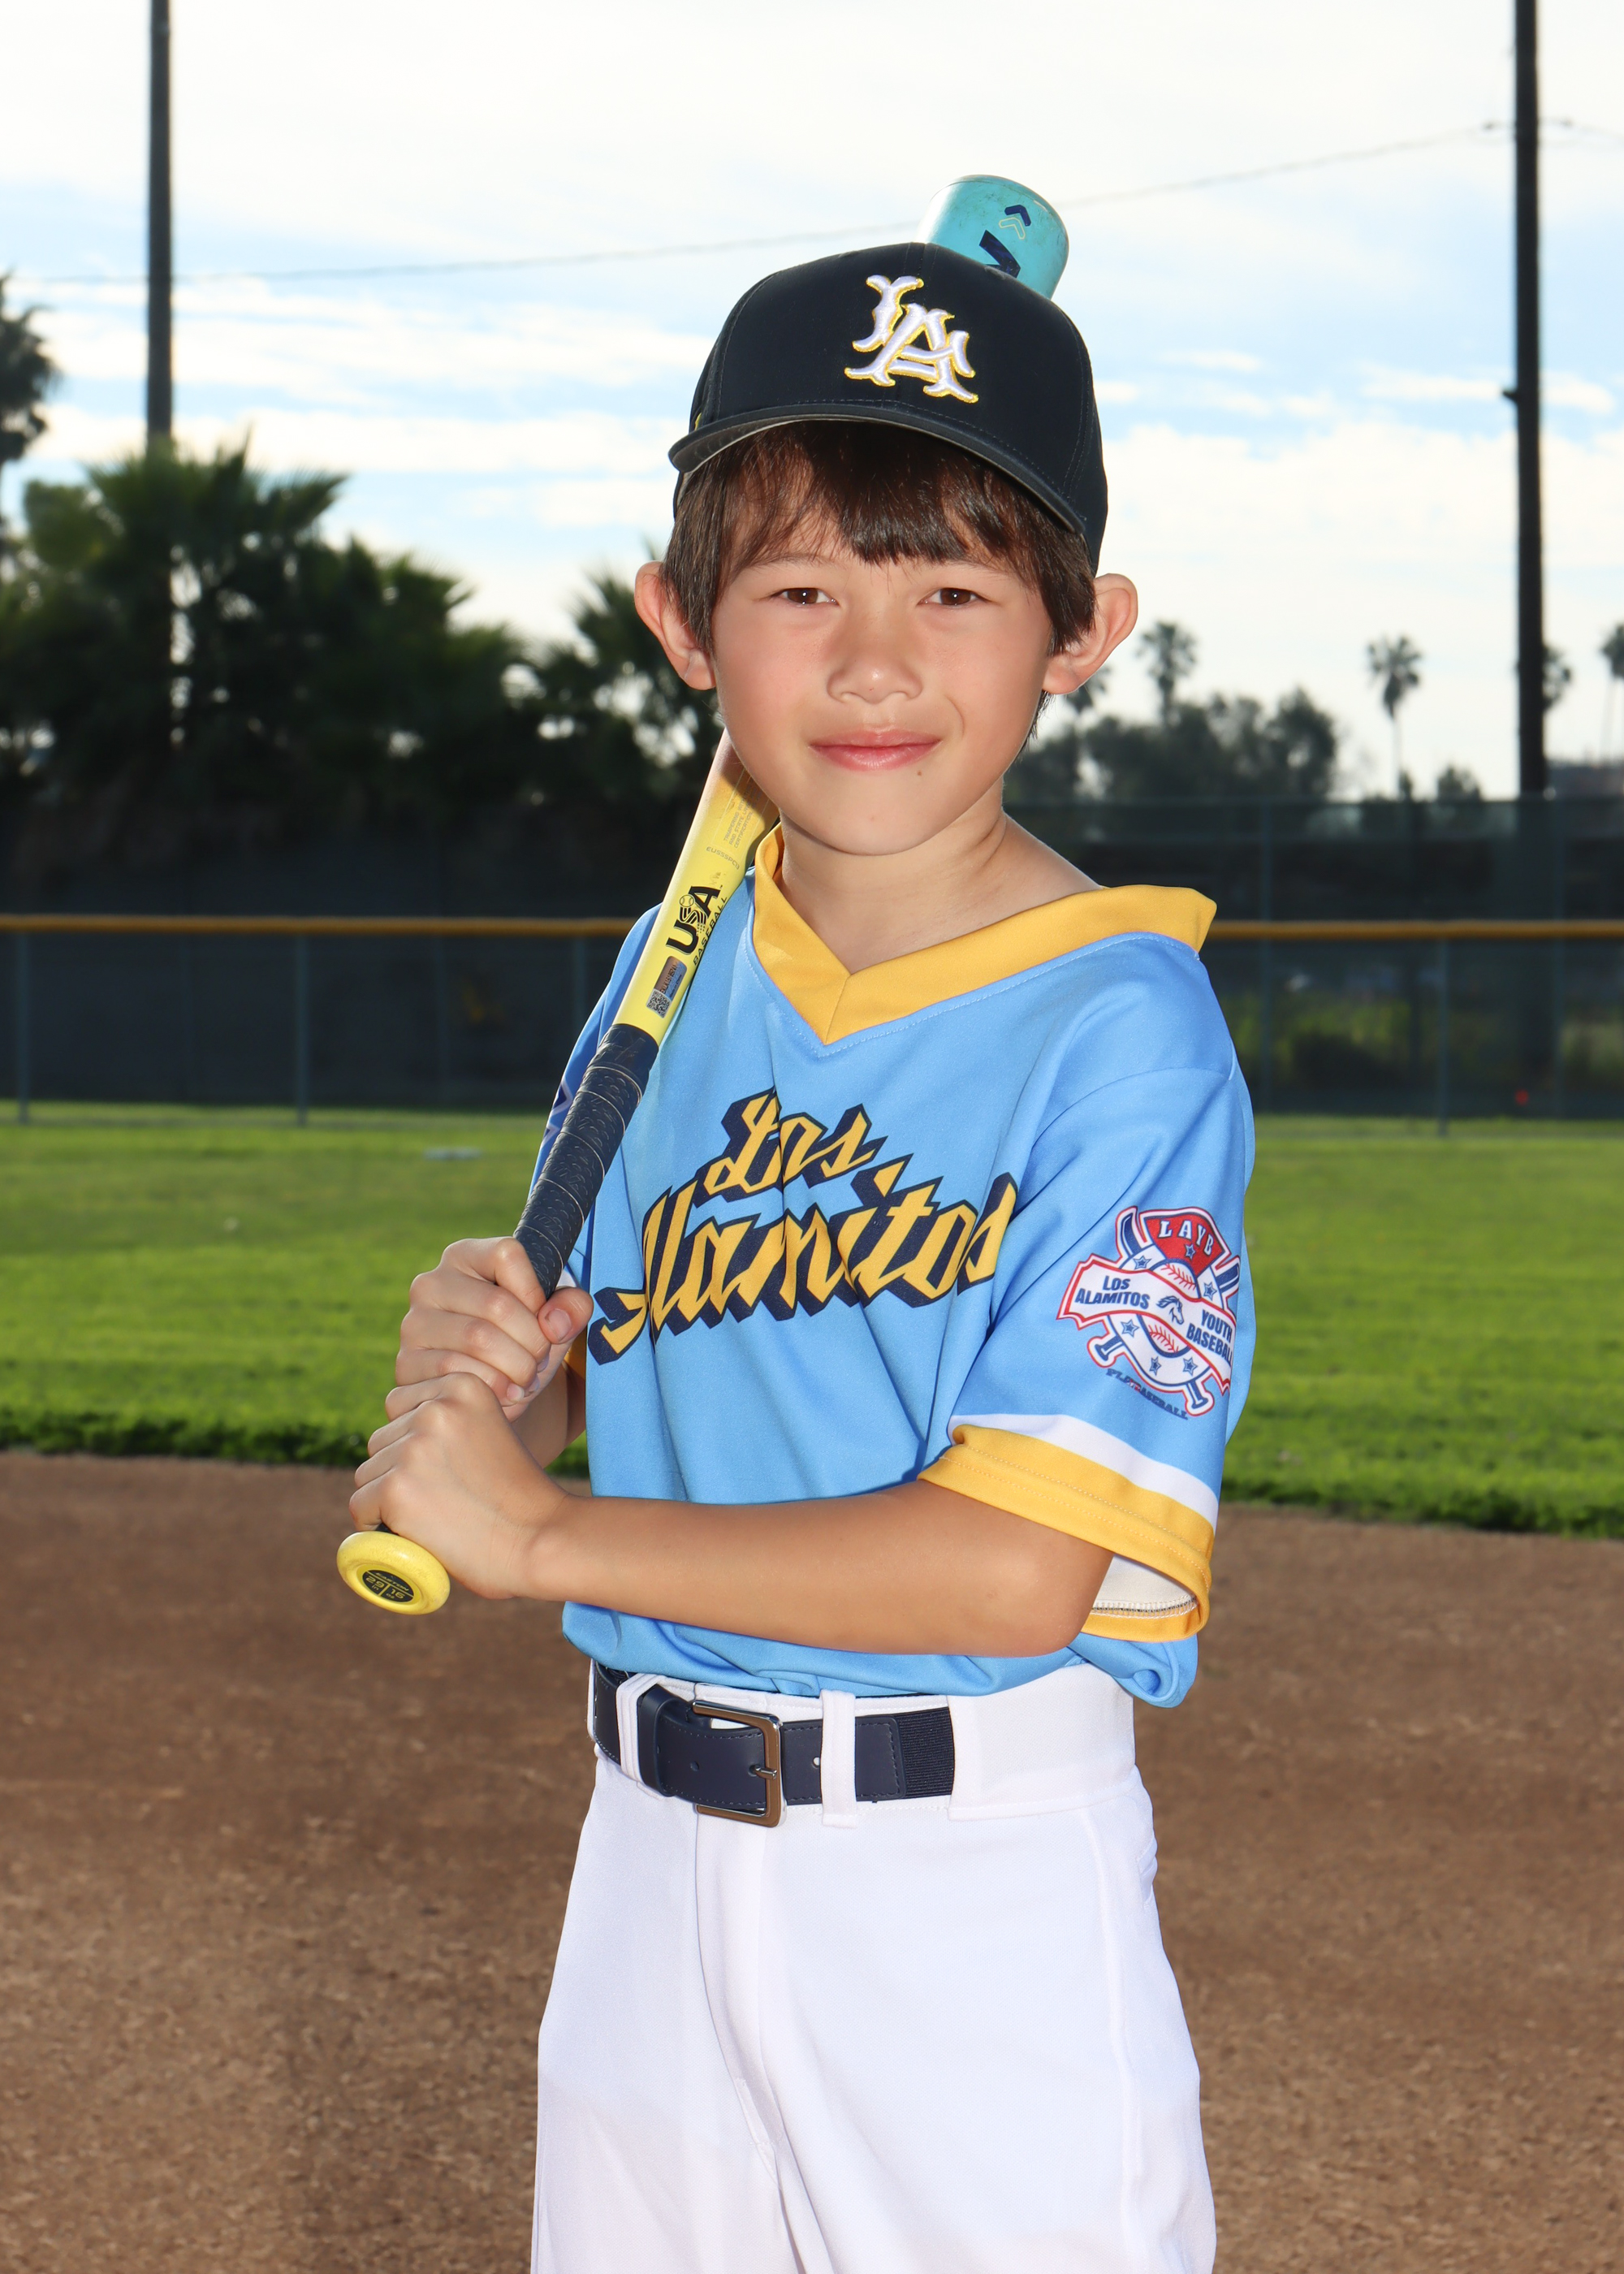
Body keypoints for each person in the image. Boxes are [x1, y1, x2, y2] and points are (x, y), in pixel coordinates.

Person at [351, 240, 1255, 2272]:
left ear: (1082, 631)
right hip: (645, 1880)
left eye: (953, 592)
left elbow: (1013, 1564)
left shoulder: (1119, 1027)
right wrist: (518, 1370)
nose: (871, 663)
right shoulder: (678, 966)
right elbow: (648, 1344)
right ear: (681, 623)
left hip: (963, 1898)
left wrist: (543, 1531)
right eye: (797, 591)